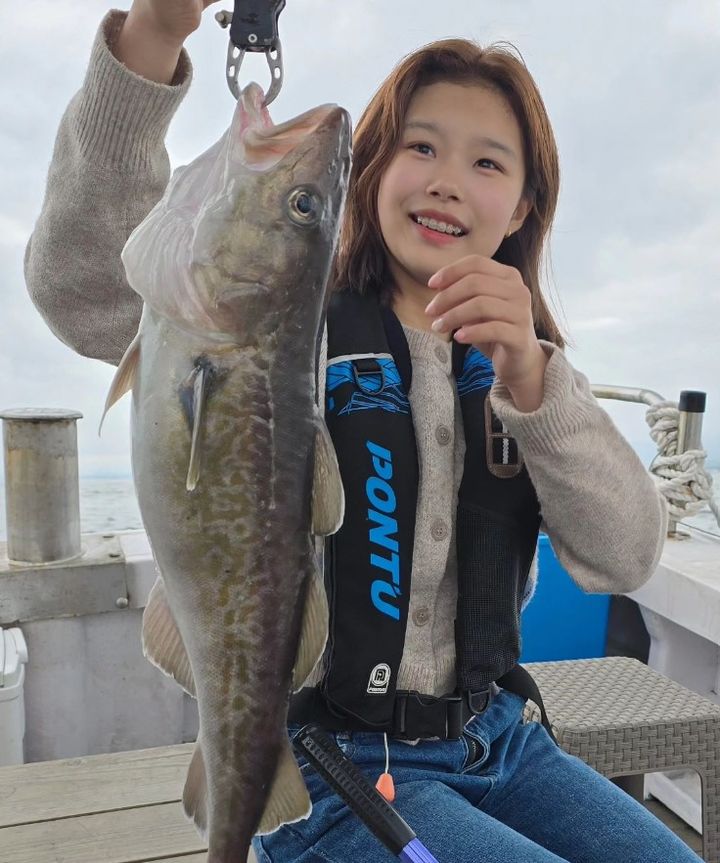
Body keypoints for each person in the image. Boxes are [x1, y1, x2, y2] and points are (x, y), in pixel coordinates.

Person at [24, 3, 698, 862]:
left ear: (524, 204)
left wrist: (535, 378)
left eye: (486, 160)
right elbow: (77, 281)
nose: (448, 178)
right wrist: (150, 42)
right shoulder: (271, 328)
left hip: (504, 741)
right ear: (372, 172)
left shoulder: (523, 370)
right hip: (333, 766)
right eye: (420, 147)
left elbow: (627, 554)